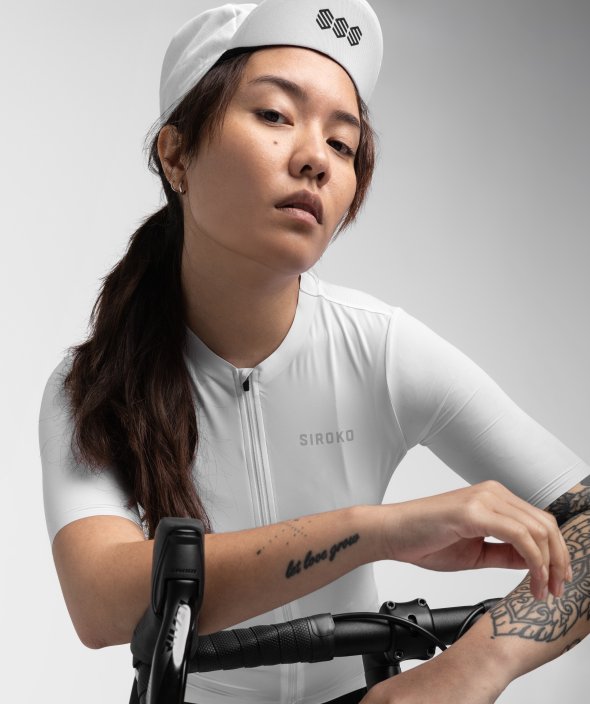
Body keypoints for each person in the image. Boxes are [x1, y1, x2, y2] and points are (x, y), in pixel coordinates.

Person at [39, 1, 589, 703]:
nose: (315, 160)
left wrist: (467, 670)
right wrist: (376, 531)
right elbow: (99, 600)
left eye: (342, 143)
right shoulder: (90, 383)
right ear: (176, 156)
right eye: (275, 115)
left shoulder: (380, 347)